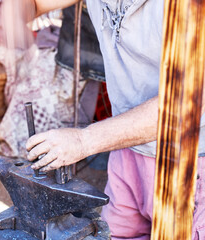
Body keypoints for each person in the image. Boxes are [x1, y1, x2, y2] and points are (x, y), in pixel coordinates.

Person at [24, 0, 205, 239]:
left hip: (192, 162)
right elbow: (31, 5)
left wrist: (83, 141)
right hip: (128, 151)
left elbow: (182, 105)